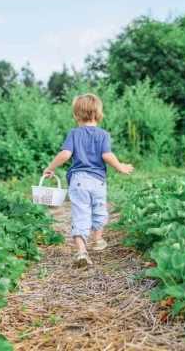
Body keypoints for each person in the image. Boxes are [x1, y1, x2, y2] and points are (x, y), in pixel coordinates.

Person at [43, 93, 134, 267]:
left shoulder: (74, 133)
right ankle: (97, 240)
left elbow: (65, 154)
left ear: (76, 115)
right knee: (99, 209)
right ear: (98, 113)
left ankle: (81, 251)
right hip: (98, 181)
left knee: (80, 214)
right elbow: (107, 155)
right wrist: (120, 167)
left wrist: (50, 168)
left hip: (78, 181)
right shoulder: (103, 134)